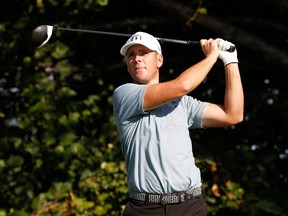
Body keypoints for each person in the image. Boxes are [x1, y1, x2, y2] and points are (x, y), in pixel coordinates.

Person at [112, 31, 244, 216]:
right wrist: (212, 56)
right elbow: (182, 85)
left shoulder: (183, 103)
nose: (137, 59)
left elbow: (233, 115)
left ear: (159, 60)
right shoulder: (124, 95)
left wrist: (230, 61)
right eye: (131, 55)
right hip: (145, 209)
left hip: (190, 206)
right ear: (127, 64)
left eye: (143, 53)